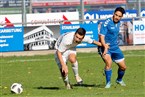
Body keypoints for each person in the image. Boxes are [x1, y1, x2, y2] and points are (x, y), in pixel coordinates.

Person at [98, 7, 127, 88]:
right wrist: (105, 47)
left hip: (115, 47)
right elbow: (101, 36)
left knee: (123, 67)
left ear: (121, 17)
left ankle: (119, 80)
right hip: (104, 46)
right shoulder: (107, 23)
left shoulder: (118, 22)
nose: (117, 17)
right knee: (109, 63)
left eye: (119, 16)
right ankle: (108, 83)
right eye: (116, 15)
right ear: (113, 14)